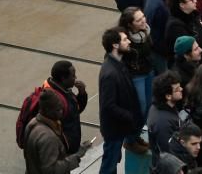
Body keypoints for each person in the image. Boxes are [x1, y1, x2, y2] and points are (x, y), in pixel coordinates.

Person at [97, 27, 142, 174]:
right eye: (124, 40)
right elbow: (108, 105)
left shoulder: (118, 62)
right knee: (109, 164)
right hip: (114, 128)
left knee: (113, 159)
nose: (129, 41)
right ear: (115, 45)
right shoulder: (110, 73)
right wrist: (129, 116)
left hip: (119, 126)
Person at [24, 89, 91, 174]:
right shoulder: (48, 137)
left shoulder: (32, 123)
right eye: (58, 110)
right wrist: (75, 157)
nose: (62, 112)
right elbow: (50, 170)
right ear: (47, 110)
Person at [147, 71, 183, 169]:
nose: (181, 89)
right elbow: (169, 154)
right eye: (177, 89)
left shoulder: (163, 106)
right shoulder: (163, 123)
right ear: (168, 96)